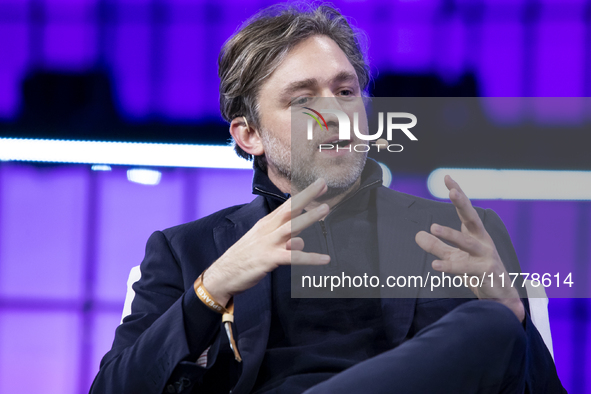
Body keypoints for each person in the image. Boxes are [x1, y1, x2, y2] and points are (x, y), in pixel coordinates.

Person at [90, 3, 565, 393]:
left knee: (490, 325)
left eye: (345, 91)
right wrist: (212, 288)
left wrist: (515, 317)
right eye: (304, 100)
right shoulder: (190, 252)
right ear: (249, 133)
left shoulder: (462, 234)